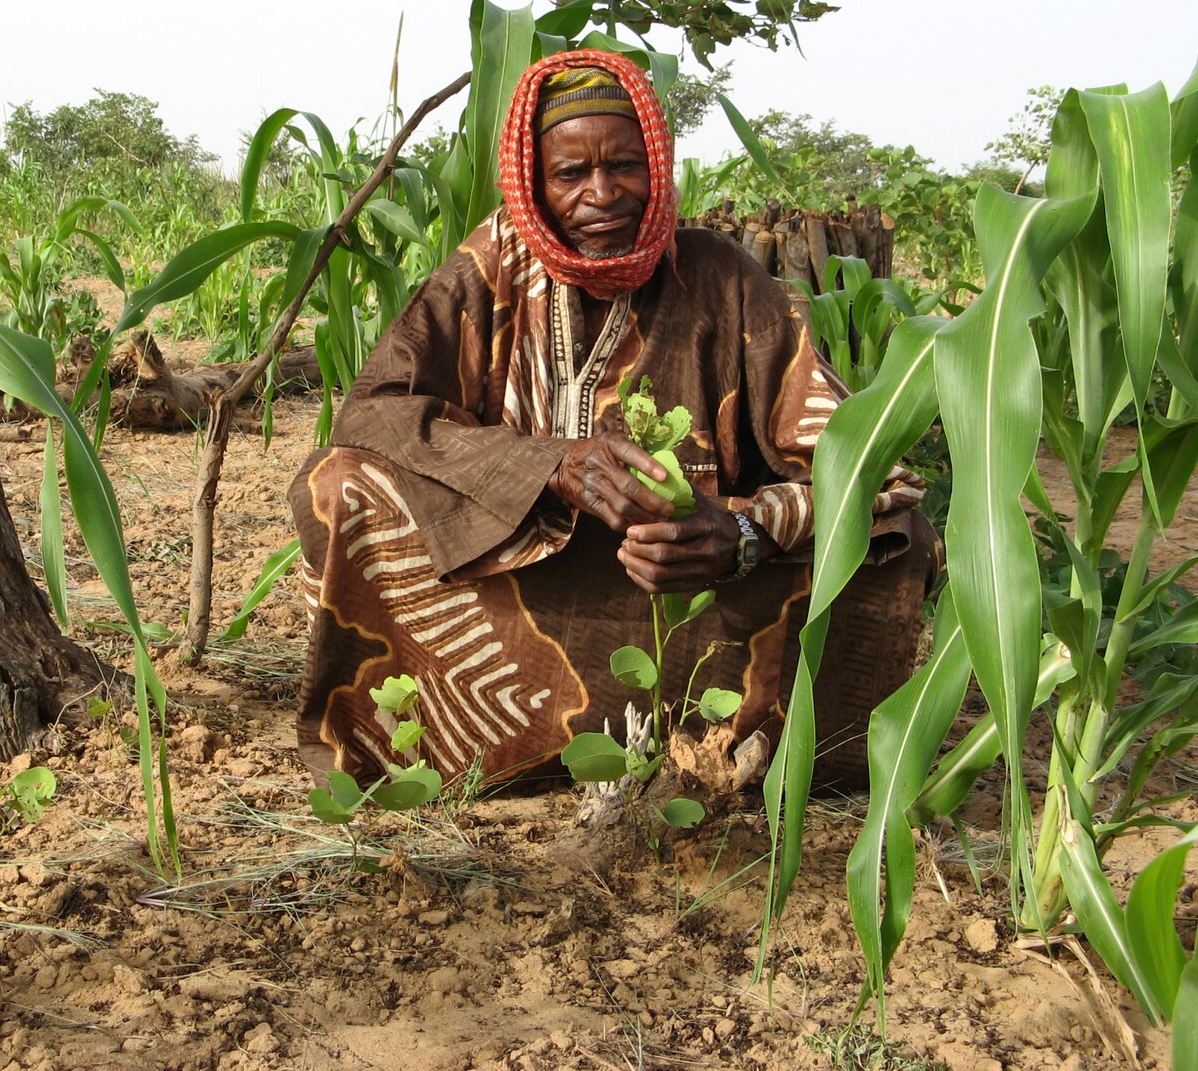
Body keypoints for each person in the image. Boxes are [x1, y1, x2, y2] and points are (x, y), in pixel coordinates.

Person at [288, 49, 937, 791]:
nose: (602, 193)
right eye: (570, 174)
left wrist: (746, 535)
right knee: (339, 485)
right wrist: (548, 466)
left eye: (625, 165)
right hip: (519, 576)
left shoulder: (722, 279)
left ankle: (755, 748)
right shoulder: (494, 265)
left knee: (898, 539)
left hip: (696, 588)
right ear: (534, 182)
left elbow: (868, 463)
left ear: (657, 167)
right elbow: (372, 412)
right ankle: (450, 745)